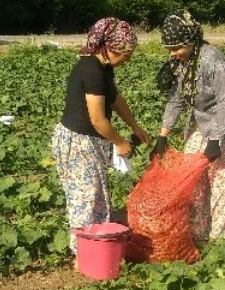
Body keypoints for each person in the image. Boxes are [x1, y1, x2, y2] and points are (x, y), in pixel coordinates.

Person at [52, 17, 151, 257]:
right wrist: (120, 141)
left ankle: (97, 249)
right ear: (110, 48)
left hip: (90, 141)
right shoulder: (91, 70)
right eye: (125, 55)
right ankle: (83, 255)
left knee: (95, 195)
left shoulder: (103, 68)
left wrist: (135, 126)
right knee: (84, 198)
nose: (127, 60)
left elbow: (114, 99)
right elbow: (97, 119)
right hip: (79, 142)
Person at [151, 10, 225, 243]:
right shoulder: (181, 63)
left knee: (222, 182)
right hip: (202, 123)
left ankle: (223, 238)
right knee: (194, 180)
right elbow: (176, 99)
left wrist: (216, 141)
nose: (172, 53)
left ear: (191, 41)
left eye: (177, 48)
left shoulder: (211, 59)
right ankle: (198, 231)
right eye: (169, 48)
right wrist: (162, 136)